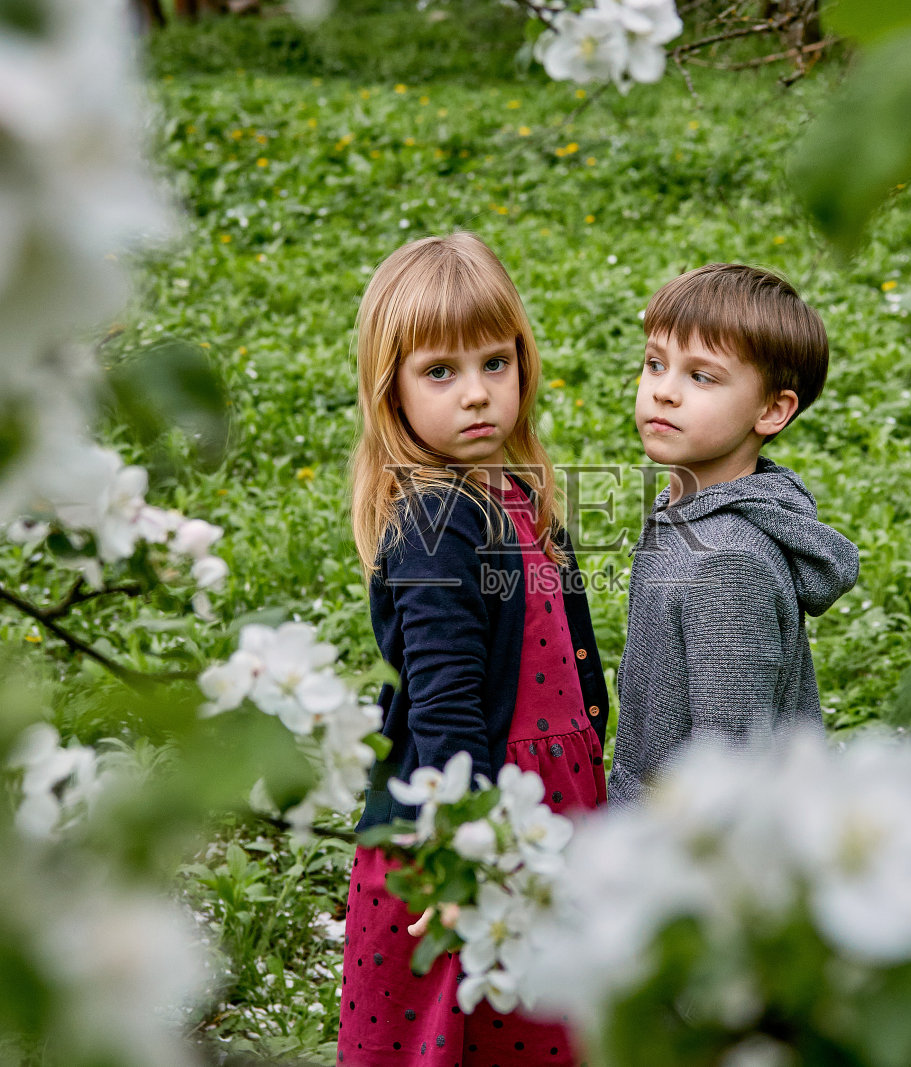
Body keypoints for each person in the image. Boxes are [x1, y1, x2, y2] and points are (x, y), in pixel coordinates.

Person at [339, 232, 609, 1066]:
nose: (477, 393)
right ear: (392, 391)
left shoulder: (519, 496)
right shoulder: (436, 519)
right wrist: (465, 849)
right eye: (440, 372)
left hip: (545, 801)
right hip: (467, 818)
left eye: (495, 362)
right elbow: (446, 697)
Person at [608, 263, 859, 806]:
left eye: (702, 376)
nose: (664, 392)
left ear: (772, 410)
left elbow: (732, 770)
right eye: (655, 364)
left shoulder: (728, 564)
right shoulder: (688, 514)